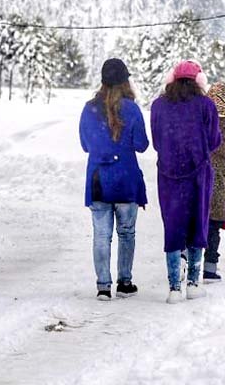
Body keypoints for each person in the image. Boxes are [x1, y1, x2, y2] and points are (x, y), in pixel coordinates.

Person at [79, 58, 149, 301]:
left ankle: (103, 286)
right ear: (125, 81)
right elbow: (141, 145)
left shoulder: (89, 109)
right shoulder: (131, 109)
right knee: (126, 233)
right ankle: (125, 281)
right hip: (126, 180)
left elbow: (85, 145)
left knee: (101, 235)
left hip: (99, 179)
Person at [151, 61, 221, 304]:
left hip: (169, 175)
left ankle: (173, 288)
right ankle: (193, 282)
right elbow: (214, 141)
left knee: (173, 226)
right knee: (197, 223)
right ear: (198, 81)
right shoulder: (206, 105)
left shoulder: (159, 105)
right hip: (199, 174)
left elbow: (157, 142)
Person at [204, 82, 225, 283]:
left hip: (204, 173)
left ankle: (186, 260)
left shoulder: (204, 120)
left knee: (197, 221)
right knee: (214, 225)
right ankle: (210, 268)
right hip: (222, 177)